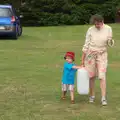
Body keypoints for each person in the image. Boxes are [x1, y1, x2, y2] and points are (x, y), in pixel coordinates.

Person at [81, 14, 114, 106]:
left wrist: (110, 41)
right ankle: (92, 95)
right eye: (95, 24)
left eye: (98, 24)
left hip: (102, 54)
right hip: (90, 55)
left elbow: (110, 42)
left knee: (102, 76)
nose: (97, 26)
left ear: (102, 22)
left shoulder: (108, 29)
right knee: (91, 76)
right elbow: (86, 44)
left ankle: (103, 98)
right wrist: (83, 58)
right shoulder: (90, 30)